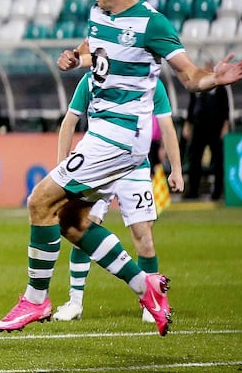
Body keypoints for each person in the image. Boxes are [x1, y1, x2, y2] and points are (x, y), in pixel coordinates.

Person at [0, 0, 242, 337]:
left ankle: (36, 299)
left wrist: (215, 78)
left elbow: (188, 76)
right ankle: (144, 285)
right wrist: (73, 57)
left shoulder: (152, 24)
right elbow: (92, 49)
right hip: (103, 134)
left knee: (39, 201)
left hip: (119, 136)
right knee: (71, 220)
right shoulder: (101, 14)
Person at [51, 75, 184, 323]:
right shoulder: (93, 79)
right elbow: (69, 121)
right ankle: (75, 302)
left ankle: (150, 301)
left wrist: (176, 168)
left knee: (142, 233)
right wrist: (63, 168)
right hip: (98, 162)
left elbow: (167, 126)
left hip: (134, 165)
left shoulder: (151, 82)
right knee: (83, 225)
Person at [183, 67, 230, 200]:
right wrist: (188, 124)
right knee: (195, 159)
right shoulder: (196, 86)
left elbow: (226, 109)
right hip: (199, 128)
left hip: (215, 127)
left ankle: (217, 192)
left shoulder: (220, 88)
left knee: (218, 160)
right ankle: (193, 190)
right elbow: (191, 107)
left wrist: (225, 126)